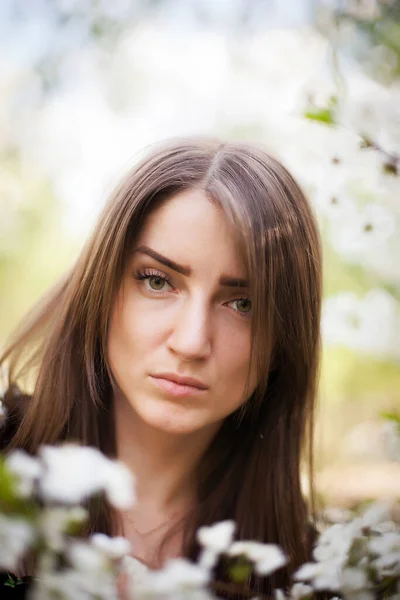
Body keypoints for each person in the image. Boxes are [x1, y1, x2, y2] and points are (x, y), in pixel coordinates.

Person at [0, 137, 322, 598]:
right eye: (157, 281)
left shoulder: (312, 574)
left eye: (243, 303)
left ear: (284, 340)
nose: (191, 342)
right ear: (102, 287)